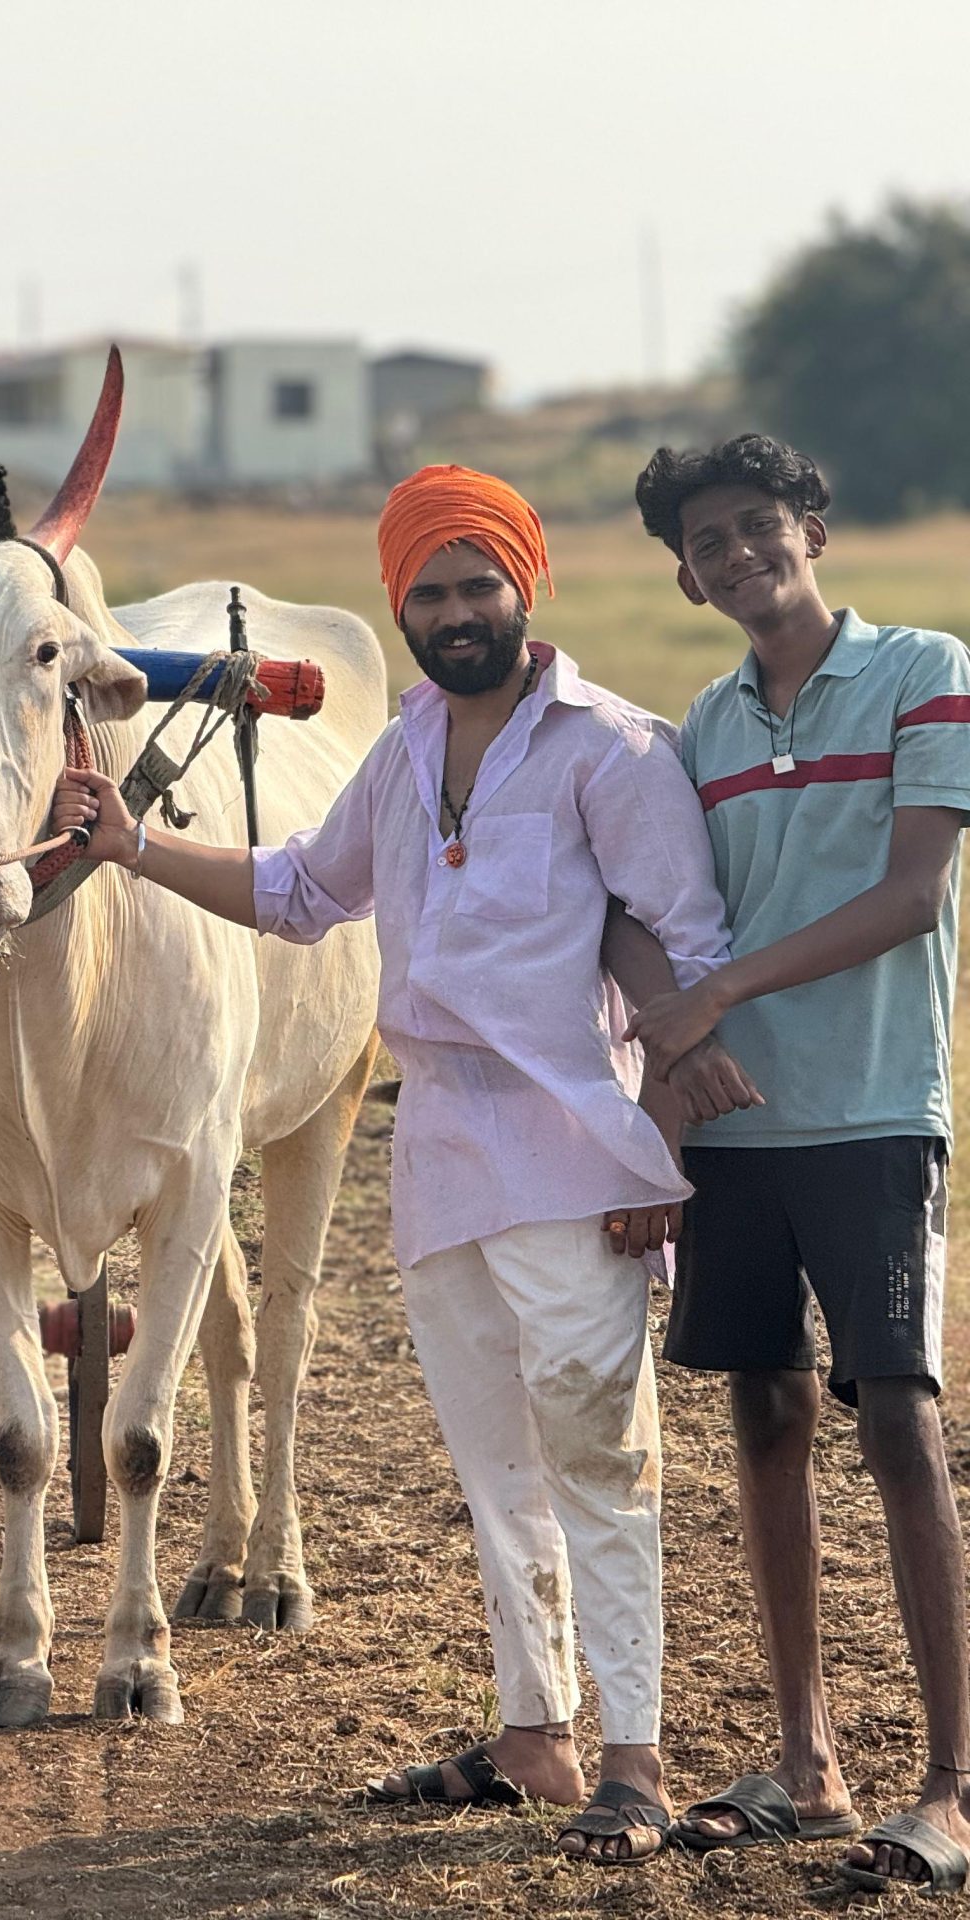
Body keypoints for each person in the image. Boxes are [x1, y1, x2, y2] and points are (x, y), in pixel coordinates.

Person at [51, 466, 753, 1863]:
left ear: (524, 588)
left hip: (579, 1160)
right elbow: (302, 892)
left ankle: (634, 1763)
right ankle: (533, 1736)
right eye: (429, 593)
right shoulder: (403, 748)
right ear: (399, 606)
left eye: (478, 585)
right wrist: (132, 846)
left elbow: (693, 966)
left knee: (600, 1459)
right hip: (439, 1156)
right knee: (495, 1466)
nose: (455, 613)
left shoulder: (615, 750)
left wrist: (655, 1163)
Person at [624, 435, 970, 1893]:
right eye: (707, 541)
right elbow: (633, 904)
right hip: (737, 1126)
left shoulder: (923, 671)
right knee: (763, 1417)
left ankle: (952, 1787)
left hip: (876, 1110)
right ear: (685, 578)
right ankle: (809, 1762)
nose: (739, 554)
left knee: (897, 1421)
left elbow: (913, 893)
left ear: (810, 528)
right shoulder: (694, 732)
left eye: (759, 524)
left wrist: (716, 991)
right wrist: (674, 1035)